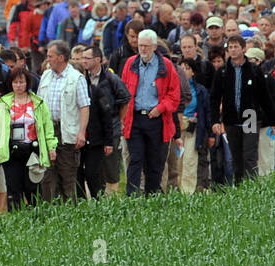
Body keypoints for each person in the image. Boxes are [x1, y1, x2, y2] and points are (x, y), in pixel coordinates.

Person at [120, 29, 181, 195]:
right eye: (140, 46)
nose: (143, 50)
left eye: (146, 46)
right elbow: (123, 92)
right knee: (135, 159)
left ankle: (152, 197)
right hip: (135, 120)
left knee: (154, 163)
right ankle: (131, 198)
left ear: (155, 46)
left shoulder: (166, 66)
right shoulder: (130, 63)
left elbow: (174, 96)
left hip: (157, 120)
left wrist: (160, 109)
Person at [0, 64, 58, 209]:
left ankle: (36, 219)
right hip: (11, 150)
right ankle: (16, 220)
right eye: (15, 82)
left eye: (21, 82)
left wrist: (51, 147)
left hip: (32, 150)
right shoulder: (4, 103)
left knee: (33, 188)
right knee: (13, 189)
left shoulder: (38, 102)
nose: (19, 85)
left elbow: (47, 127)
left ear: (27, 83)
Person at [211, 38, 275, 184]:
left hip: (250, 116)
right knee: (236, 156)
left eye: (236, 47)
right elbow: (214, 98)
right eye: (230, 47)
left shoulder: (254, 69)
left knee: (250, 155)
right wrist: (215, 120)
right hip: (230, 118)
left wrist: (273, 120)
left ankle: (251, 188)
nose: (233, 50)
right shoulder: (222, 71)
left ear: (243, 49)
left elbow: (264, 96)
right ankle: (239, 188)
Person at [37, 40, 90, 202]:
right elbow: (38, 103)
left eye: (50, 56)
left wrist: (81, 132)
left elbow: (84, 106)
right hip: (48, 131)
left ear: (61, 57)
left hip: (66, 131)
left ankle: (71, 216)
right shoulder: (45, 76)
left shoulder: (76, 78)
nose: (48, 59)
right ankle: (50, 214)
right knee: (47, 176)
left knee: (67, 174)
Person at [78, 45, 130, 199]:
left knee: (111, 168)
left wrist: (118, 120)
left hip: (110, 129)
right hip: (92, 132)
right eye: (82, 58)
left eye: (87, 58)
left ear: (98, 60)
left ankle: (111, 200)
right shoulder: (83, 79)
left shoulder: (110, 78)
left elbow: (125, 99)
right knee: (94, 169)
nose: (84, 61)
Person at [178, 58, 213, 193]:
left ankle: (187, 192)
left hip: (193, 127)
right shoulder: (173, 87)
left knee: (190, 160)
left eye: (187, 68)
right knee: (177, 161)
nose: (184, 71)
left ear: (193, 72)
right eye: (181, 68)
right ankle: (175, 190)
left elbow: (207, 112)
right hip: (177, 127)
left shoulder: (200, 90)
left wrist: (210, 133)